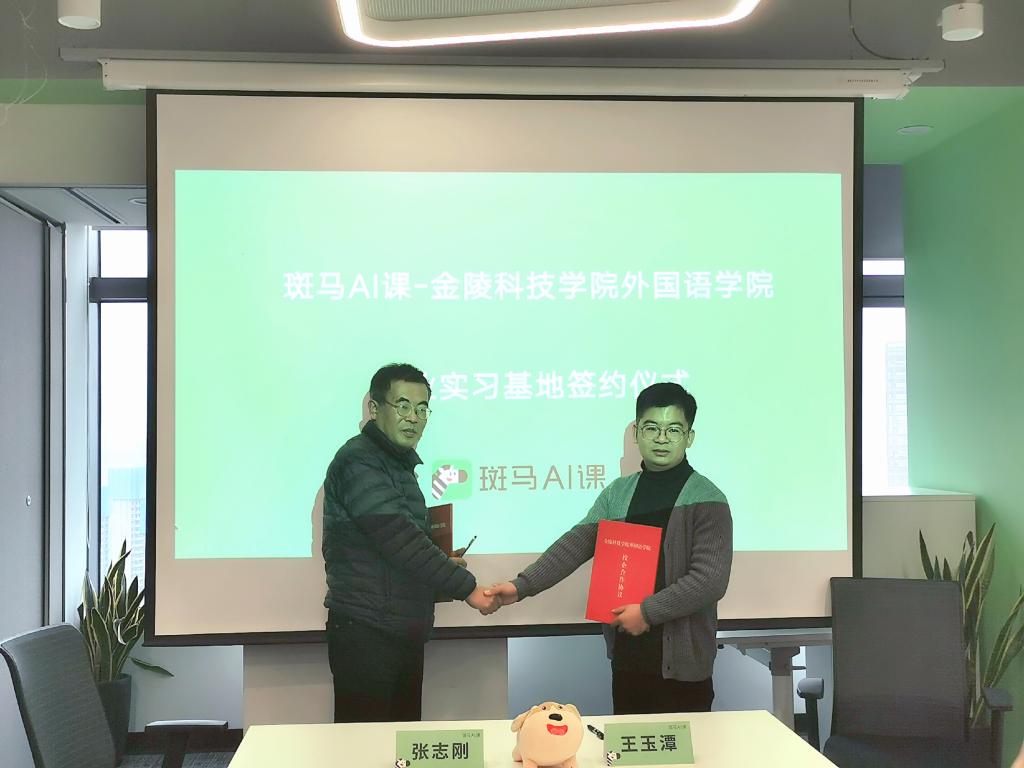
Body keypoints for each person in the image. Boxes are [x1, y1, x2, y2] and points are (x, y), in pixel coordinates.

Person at [486, 382, 733, 715]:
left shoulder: (708, 499)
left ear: (689, 437)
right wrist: (521, 586)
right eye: (652, 428)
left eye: (673, 430)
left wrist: (647, 612)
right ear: (637, 433)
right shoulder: (618, 493)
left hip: (684, 669)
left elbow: (709, 581)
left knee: (678, 747)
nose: (662, 438)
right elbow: (576, 544)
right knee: (628, 745)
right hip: (628, 659)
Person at [322, 363, 497, 723]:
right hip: (367, 631)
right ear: (375, 408)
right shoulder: (359, 460)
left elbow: (398, 545)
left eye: (422, 409)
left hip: (400, 628)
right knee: (364, 745)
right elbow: (400, 540)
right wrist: (468, 588)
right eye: (402, 406)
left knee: (401, 744)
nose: (413, 418)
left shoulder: (397, 465)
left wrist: (442, 560)